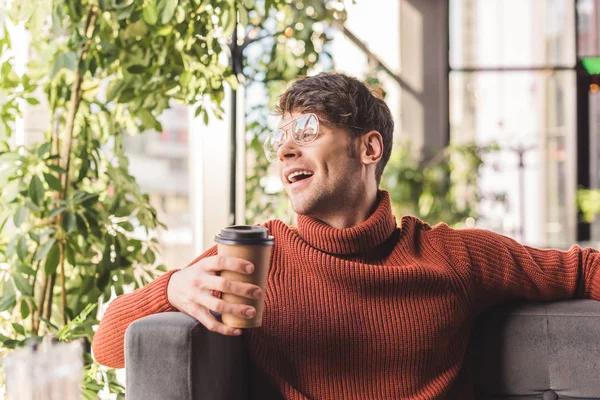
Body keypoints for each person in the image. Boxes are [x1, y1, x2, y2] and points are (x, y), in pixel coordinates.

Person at [93, 72, 600, 399]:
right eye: (282, 140)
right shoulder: (256, 255)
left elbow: (585, 270)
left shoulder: (455, 255)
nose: (285, 151)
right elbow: (108, 345)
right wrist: (173, 286)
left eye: (308, 132)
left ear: (369, 148)